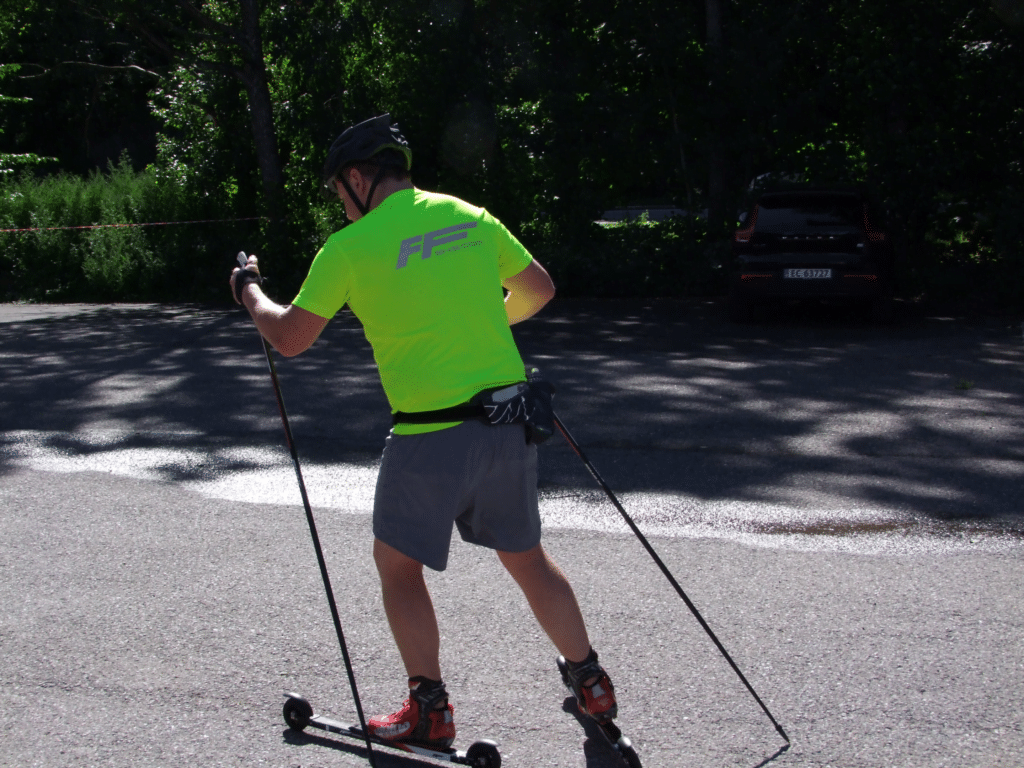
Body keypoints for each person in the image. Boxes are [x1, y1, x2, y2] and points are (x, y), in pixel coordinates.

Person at [230, 114, 617, 749]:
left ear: (358, 178)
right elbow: (539, 290)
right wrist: (475, 326)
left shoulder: (349, 248)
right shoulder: (471, 215)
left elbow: (292, 337)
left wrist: (250, 291)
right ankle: (592, 683)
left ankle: (429, 712)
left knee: (398, 569)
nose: (340, 203)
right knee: (529, 560)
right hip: (508, 421)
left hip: (429, 434)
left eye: (338, 190)